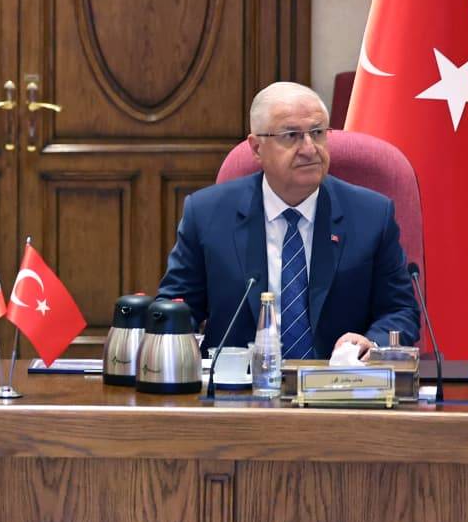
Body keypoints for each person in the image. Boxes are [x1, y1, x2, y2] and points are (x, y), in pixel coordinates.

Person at [158, 82, 418, 359]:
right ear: (257, 148)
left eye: (317, 133)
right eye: (291, 135)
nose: (309, 148)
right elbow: (176, 307)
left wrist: (371, 343)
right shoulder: (207, 213)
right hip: (240, 382)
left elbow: (400, 311)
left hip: (338, 381)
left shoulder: (372, 215)